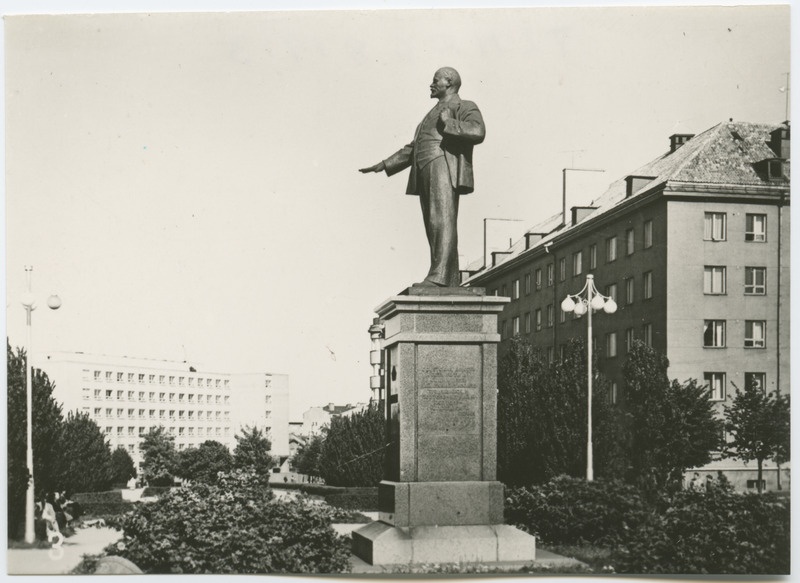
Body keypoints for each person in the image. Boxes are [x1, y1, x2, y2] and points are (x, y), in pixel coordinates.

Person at [360, 67, 485, 288]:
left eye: (435, 80)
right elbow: (414, 147)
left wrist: (449, 123)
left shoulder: (464, 106)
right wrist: (384, 164)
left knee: (441, 220)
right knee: (433, 224)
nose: (431, 84)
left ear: (449, 82)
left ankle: (439, 277)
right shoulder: (431, 112)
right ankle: (448, 277)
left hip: (443, 164)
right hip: (426, 167)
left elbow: (477, 131)